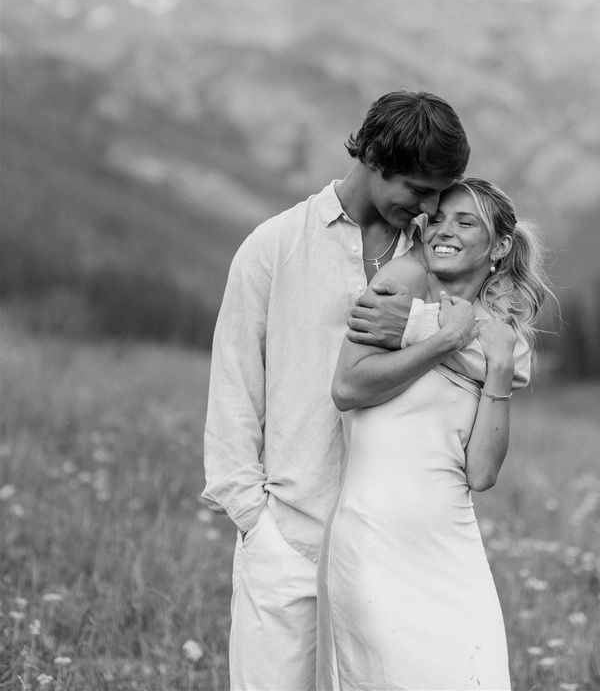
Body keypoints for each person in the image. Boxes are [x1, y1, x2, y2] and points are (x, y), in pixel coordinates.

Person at [202, 90, 471, 691]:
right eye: (419, 190)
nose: (430, 207)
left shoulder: (439, 260)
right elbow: (233, 394)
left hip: (392, 553)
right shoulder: (274, 246)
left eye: (439, 192)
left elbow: (499, 349)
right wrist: (256, 524)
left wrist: (428, 326)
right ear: (375, 158)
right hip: (290, 543)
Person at [317, 178, 550, 691]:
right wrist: (442, 337)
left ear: (500, 246)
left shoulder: (499, 340)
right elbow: (347, 387)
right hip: (374, 546)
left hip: (453, 551)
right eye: (438, 219)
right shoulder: (398, 287)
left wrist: (493, 368)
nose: (444, 231)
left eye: (465, 222)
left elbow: (482, 473)